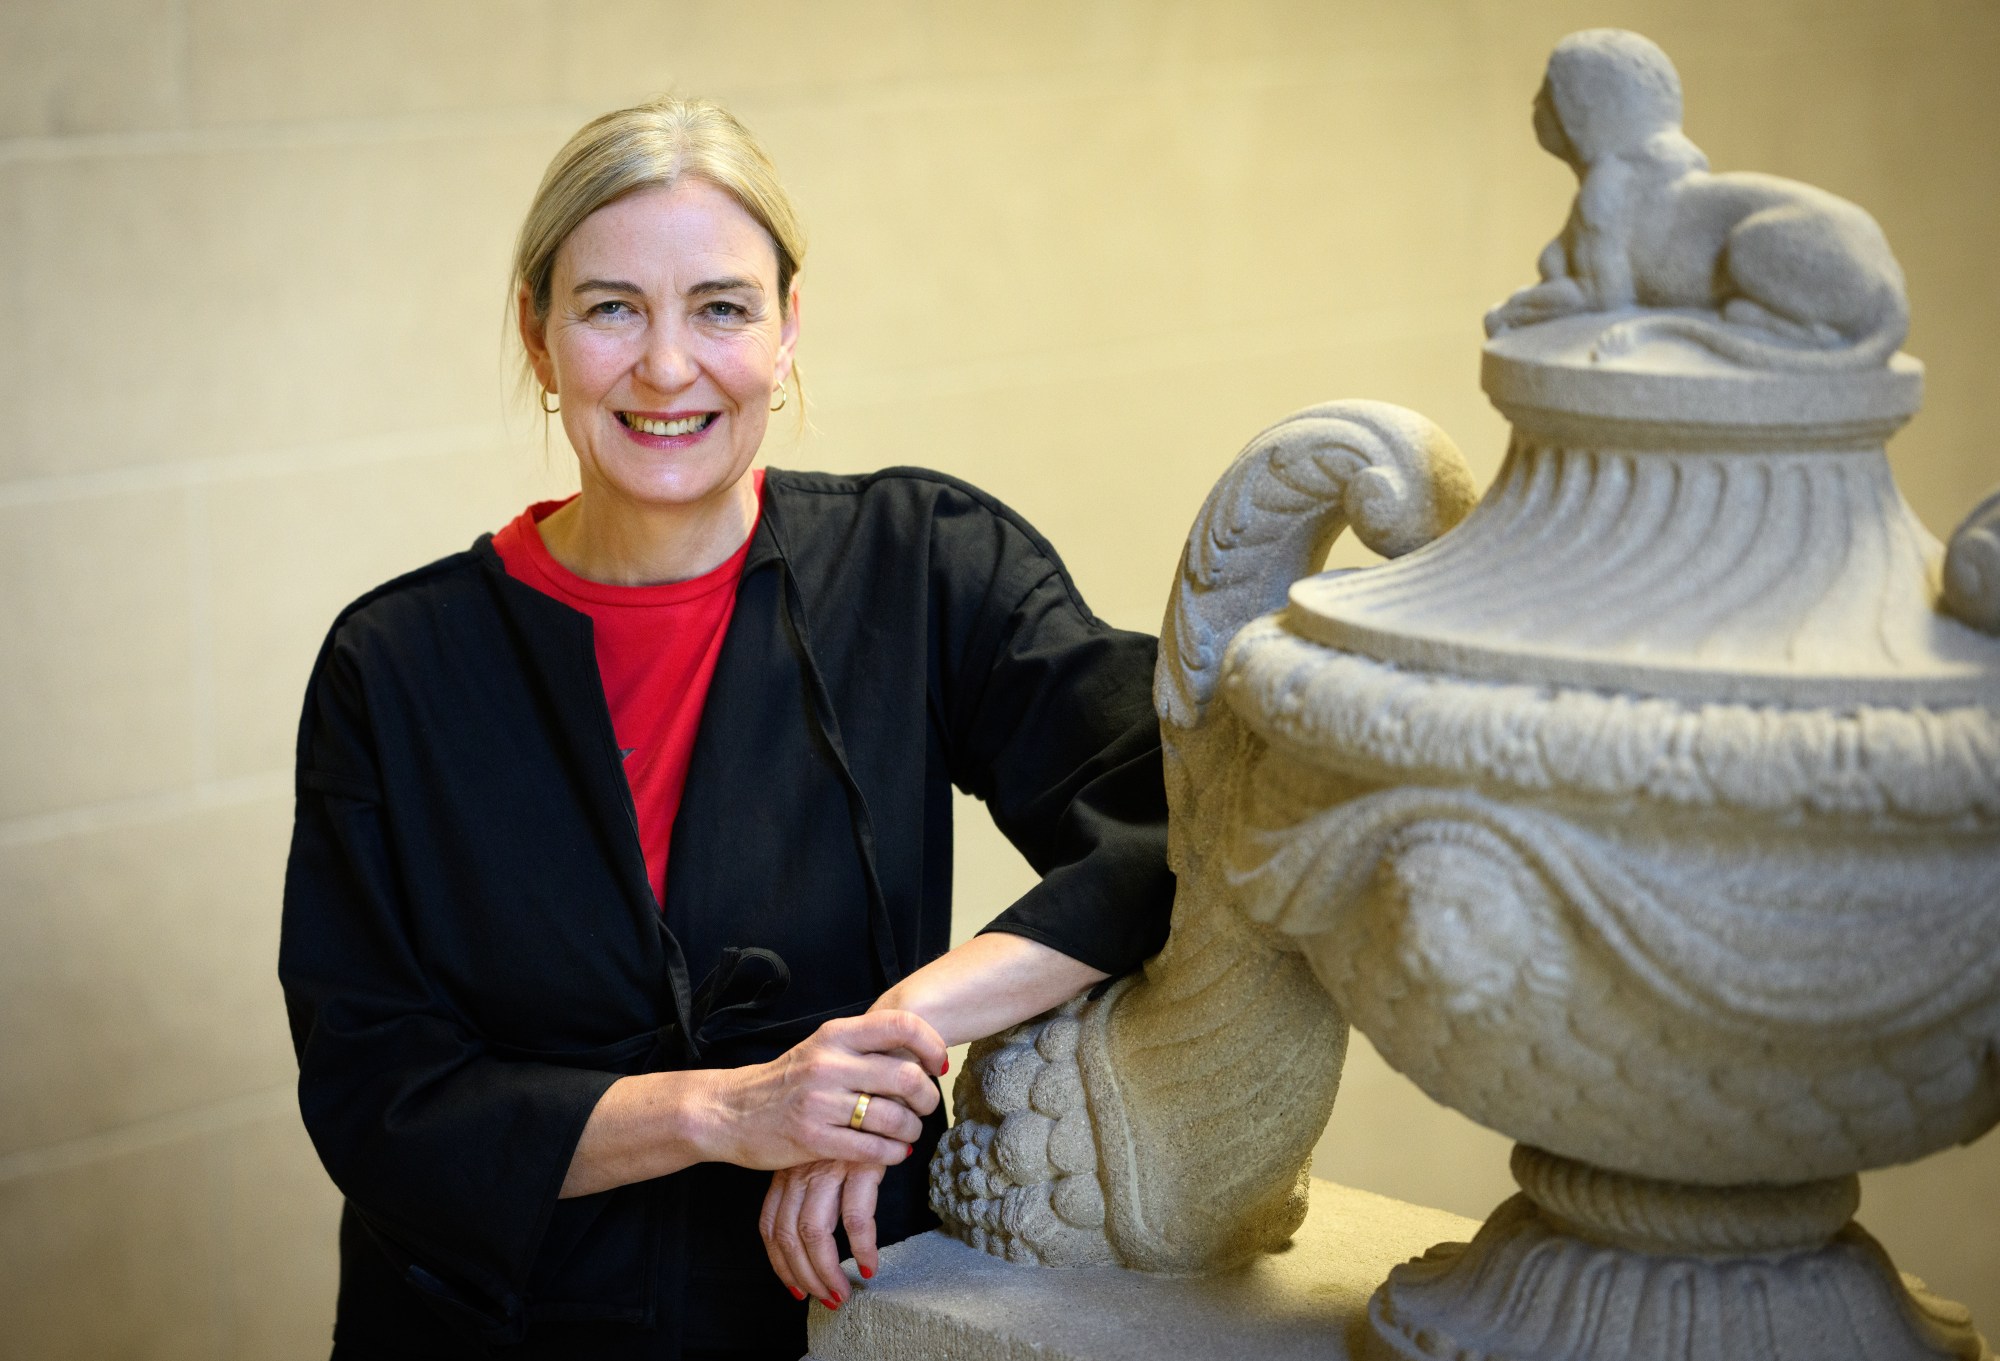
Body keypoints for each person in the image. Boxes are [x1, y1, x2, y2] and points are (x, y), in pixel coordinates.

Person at [279, 96, 1174, 1361]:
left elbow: (1174, 810)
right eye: (609, 307)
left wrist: (885, 1045)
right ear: (537, 336)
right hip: (484, 1327)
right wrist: (728, 1110)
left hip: (820, 1318)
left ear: (787, 329)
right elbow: (381, 1098)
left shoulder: (922, 566)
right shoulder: (394, 664)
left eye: (720, 306)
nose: (664, 364)